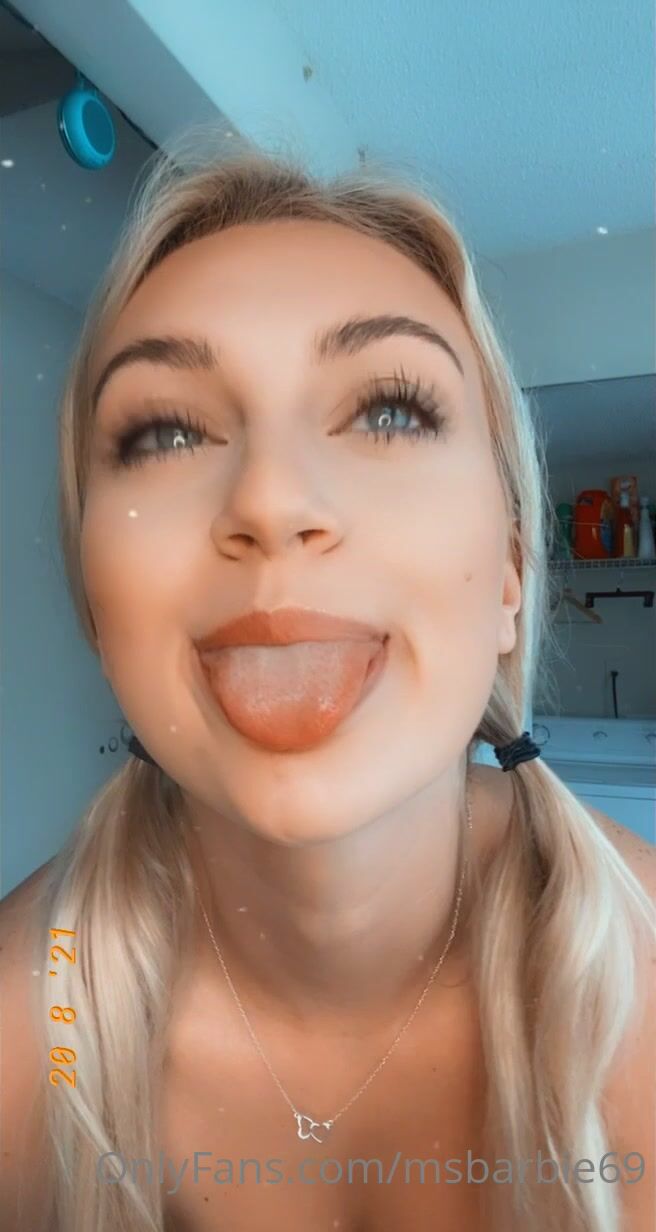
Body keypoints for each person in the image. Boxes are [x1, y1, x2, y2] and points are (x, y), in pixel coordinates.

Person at [1, 133, 654, 1232]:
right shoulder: (27, 1028)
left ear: (509, 570)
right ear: (96, 602)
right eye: (165, 430)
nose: (270, 497)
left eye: (390, 410)